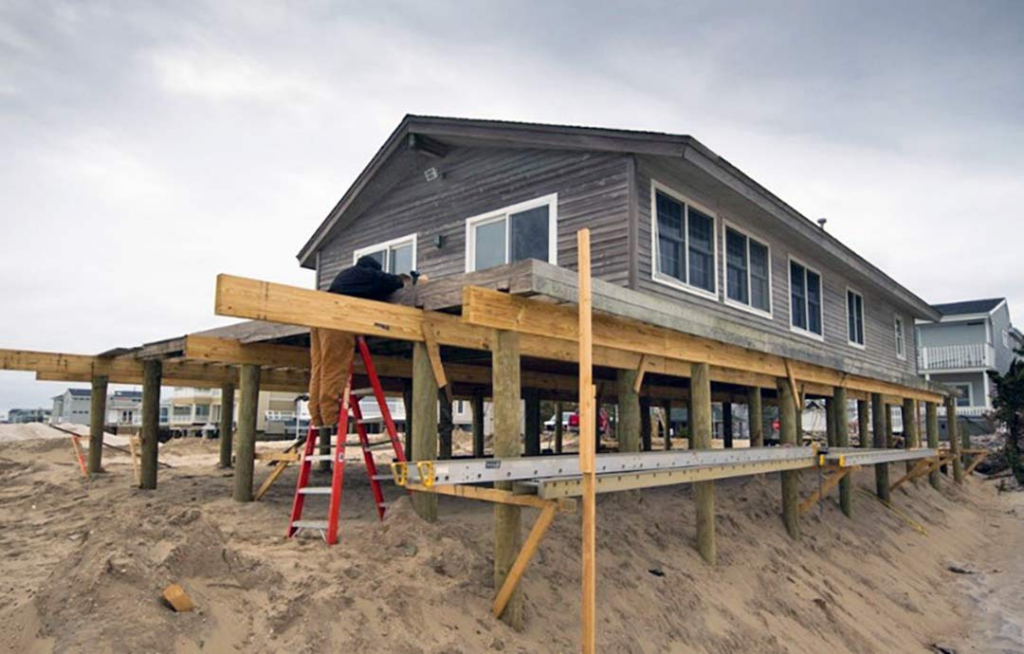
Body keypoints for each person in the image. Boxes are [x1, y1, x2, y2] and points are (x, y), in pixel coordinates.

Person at [308, 255, 415, 430]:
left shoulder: (346, 276)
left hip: (319, 318)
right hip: (337, 318)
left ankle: (317, 415)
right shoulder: (369, 275)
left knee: (319, 368)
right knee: (335, 366)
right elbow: (392, 281)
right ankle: (331, 416)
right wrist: (410, 280)